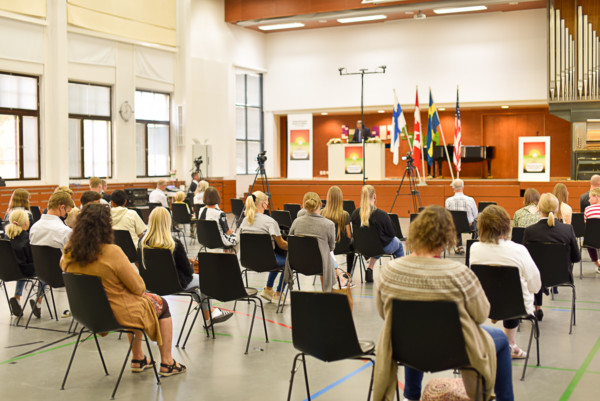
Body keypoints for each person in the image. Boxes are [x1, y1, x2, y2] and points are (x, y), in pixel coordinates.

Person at [374, 205, 513, 401]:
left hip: (405, 348)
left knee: (414, 328)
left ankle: (411, 396)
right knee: (501, 339)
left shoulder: (389, 272)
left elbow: (384, 313)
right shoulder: (460, 274)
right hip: (455, 351)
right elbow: (482, 314)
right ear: (447, 236)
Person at [61, 204, 186, 377]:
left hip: (87, 313)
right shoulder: (112, 252)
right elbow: (139, 287)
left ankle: (139, 358)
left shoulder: (68, 252)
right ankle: (167, 362)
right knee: (160, 303)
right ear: (106, 226)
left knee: (134, 302)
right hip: (116, 313)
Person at [470, 205, 541, 359]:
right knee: (514, 292)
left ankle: (503, 343)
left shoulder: (474, 248)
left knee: (504, 292)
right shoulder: (519, 250)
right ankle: (511, 344)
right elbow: (536, 285)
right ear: (506, 225)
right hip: (516, 307)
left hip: (483, 304)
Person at [139, 207, 232, 324]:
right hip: (175, 284)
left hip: (150, 284)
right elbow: (187, 271)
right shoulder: (174, 244)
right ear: (168, 222)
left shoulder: (142, 243)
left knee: (197, 288)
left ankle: (211, 312)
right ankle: (209, 315)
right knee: (203, 280)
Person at [523, 193, 580, 321]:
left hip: (536, 276)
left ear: (539, 208)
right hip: (562, 276)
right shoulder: (567, 230)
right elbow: (576, 258)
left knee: (536, 270)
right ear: (557, 209)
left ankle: (536, 308)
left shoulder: (529, 231)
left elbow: (526, 260)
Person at [29, 191, 74, 317]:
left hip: (41, 275)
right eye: (66, 211)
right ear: (61, 207)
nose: (66, 215)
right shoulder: (64, 231)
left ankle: (39, 300)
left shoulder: (34, 228)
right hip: (62, 277)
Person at [240, 191, 288, 303]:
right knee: (289, 261)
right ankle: (279, 294)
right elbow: (281, 244)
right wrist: (296, 246)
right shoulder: (269, 221)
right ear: (263, 203)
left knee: (276, 256)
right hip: (267, 262)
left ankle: (268, 290)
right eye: (267, 202)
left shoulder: (244, 221)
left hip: (248, 261)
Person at [351, 185, 404, 283]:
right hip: (379, 248)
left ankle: (370, 268)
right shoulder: (382, 215)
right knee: (397, 243)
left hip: (361, 248)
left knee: (376, 245)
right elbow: (392, 233)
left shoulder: (354, 214)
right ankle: (401, 272)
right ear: (374, 196)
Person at [285, 192, 336, 292]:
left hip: (298, 264)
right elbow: (331, 248)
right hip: (320, 266)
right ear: (320, 204)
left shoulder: (296, 222)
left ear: (304, 206)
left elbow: (290, 242)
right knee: (329, 259)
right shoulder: (329, 224)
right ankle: (327, 295)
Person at [3, 209, 36, 317]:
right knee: (44, 270)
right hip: (24, 271)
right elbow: (31, 259)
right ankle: (38, 302)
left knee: (21, 268)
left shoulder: (6, 238)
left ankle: (17, 298)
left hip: (6, 272)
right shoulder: (27, 238)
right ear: (26, 223)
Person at [321, 186, 354, 270]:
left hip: (326, 247)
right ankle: (348, 273)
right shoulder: (345, 215)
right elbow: (349, 236)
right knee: (352, 246)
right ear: (340, 199)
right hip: (343, 248)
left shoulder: (321, 213)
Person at [445, 178, 478, 254]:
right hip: (469, 226)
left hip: (455, 227)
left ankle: (459, 247)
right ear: (463, 187)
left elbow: (447, 216)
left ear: (453, 188)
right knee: (475, 225)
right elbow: (475, 214)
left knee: (456, 223)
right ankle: (471, 246)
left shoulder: (448, 201)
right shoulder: (470, 200)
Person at [583, 187, 600, 273]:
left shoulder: (587, 209)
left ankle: (597, 264)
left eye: (590, 197)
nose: (588, 200)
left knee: (589, 241)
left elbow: (587, 226)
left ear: (596, 197)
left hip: (592, 241)